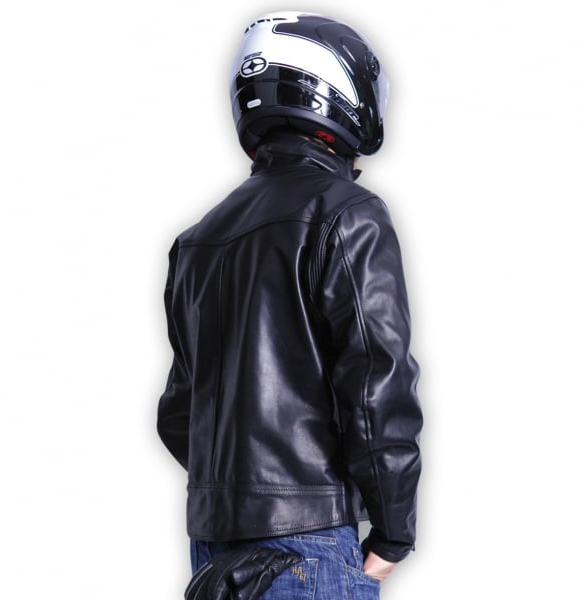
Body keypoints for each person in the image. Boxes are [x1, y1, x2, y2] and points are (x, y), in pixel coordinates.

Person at [157, 11, 423, 599]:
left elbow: (180, 413)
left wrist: (240, 496)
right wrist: (392, 535)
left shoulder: (196, 241)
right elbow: (376, 385)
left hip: (213, 551)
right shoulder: (347, 212)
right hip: (309, 546)